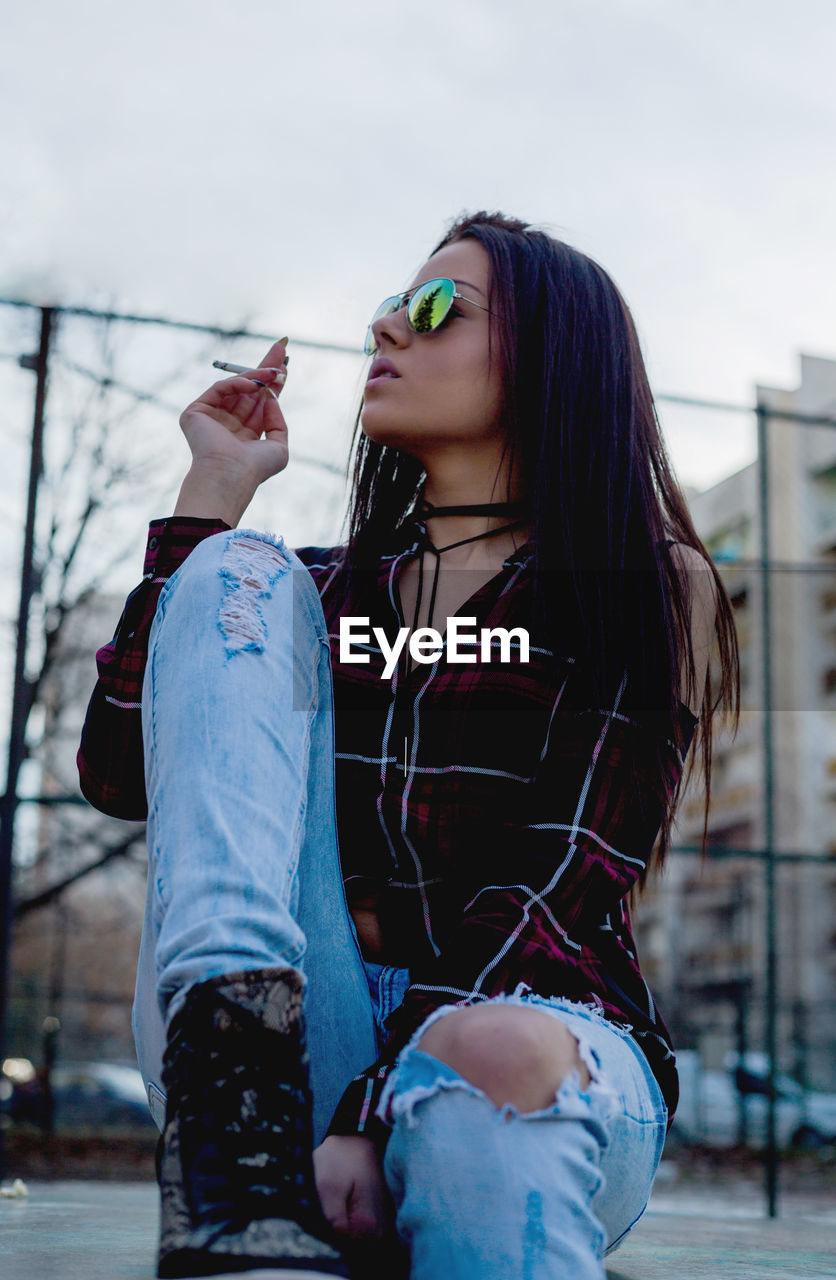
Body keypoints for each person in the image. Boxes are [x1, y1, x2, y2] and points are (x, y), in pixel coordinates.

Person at [78, 211, 739, 1280]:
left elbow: (555, 888)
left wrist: (375, 1105)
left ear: (551, 362)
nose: (388, 324)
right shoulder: (306, 592)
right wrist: (210, 498)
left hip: (527, 1031)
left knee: (481, 1059)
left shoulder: (636, 583)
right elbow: (119, 774)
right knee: (236, 572)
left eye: (435, 308)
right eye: (390, 303)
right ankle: (233, 1120)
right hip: (288, 1044)